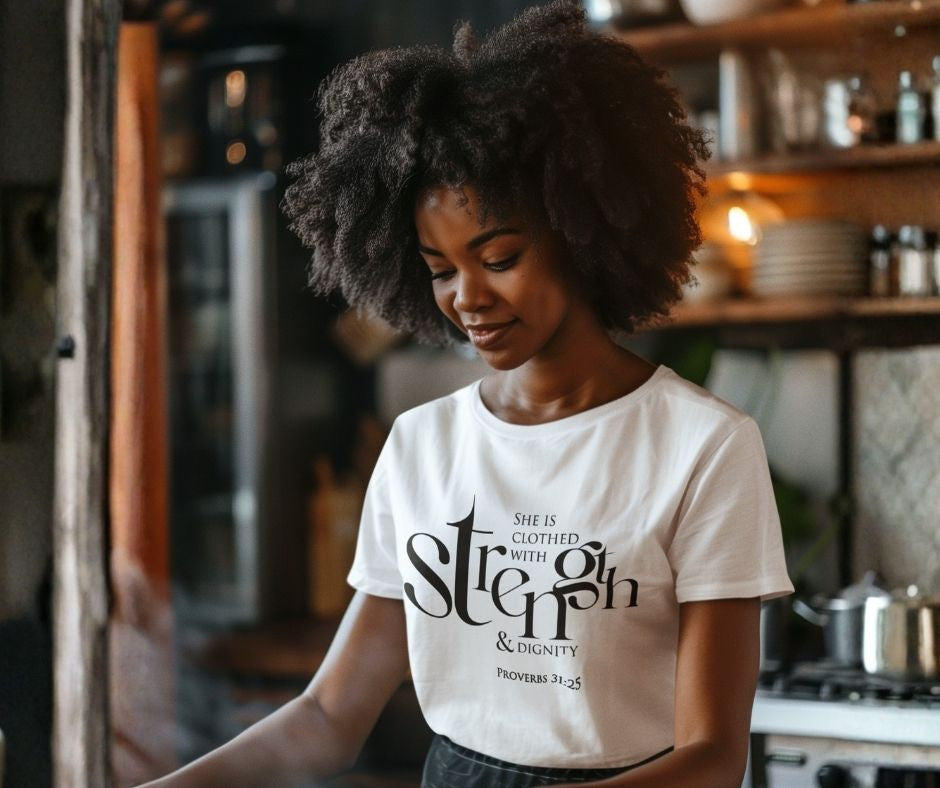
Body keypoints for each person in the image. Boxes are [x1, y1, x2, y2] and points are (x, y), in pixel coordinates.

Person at [143, 1, 794, 786]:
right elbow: (328, 716)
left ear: (583, 228)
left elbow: (713, 758)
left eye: (500, 257)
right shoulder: (422, 446)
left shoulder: (704, 447)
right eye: (441, 269)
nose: (468, 298)